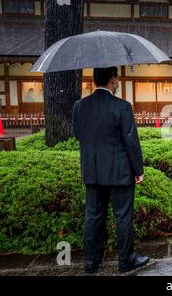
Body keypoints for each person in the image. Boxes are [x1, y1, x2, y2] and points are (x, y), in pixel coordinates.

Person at [72, 67, 149, 274]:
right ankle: (126, 261)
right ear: (112, 79)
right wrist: (138, 169)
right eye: (117, 78)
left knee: (93, 216)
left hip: (93, 170)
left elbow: (79, 135)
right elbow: (131, 141)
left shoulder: (80, 106)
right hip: (120, 171)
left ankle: (91, 260)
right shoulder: (122, 107)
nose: (118, 82)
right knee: (123, 217)